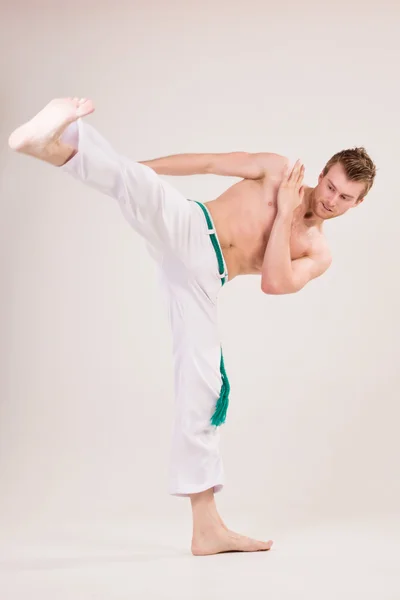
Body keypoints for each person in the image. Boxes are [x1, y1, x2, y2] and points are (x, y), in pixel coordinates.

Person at [8, 97, 376, 556]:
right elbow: (205, 162)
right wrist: (119, 168)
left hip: (204, 278)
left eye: (346, 199)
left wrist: (285, 214)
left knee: (204, 388)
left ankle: (207, 529)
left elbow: (274, 283)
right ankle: (51, 143)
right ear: (322, 174)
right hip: (190, 228)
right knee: (138, 183)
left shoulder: (317, 251)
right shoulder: (278, 169)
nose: (331, 201)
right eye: (332, 187)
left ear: (357, 205)